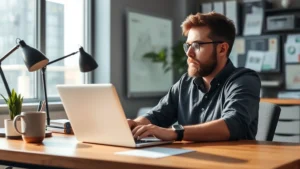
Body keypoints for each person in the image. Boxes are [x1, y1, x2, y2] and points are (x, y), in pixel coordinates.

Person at [128, 12, 261, 142]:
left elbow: (233, 124)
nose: (189, 53)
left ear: (222, 49)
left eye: (197, 45)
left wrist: (175, 132)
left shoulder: (244, 80)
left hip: (234, 162)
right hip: (189, 160)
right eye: (188, 46)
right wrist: (134, 125)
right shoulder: (185, 83)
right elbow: (156, 116)